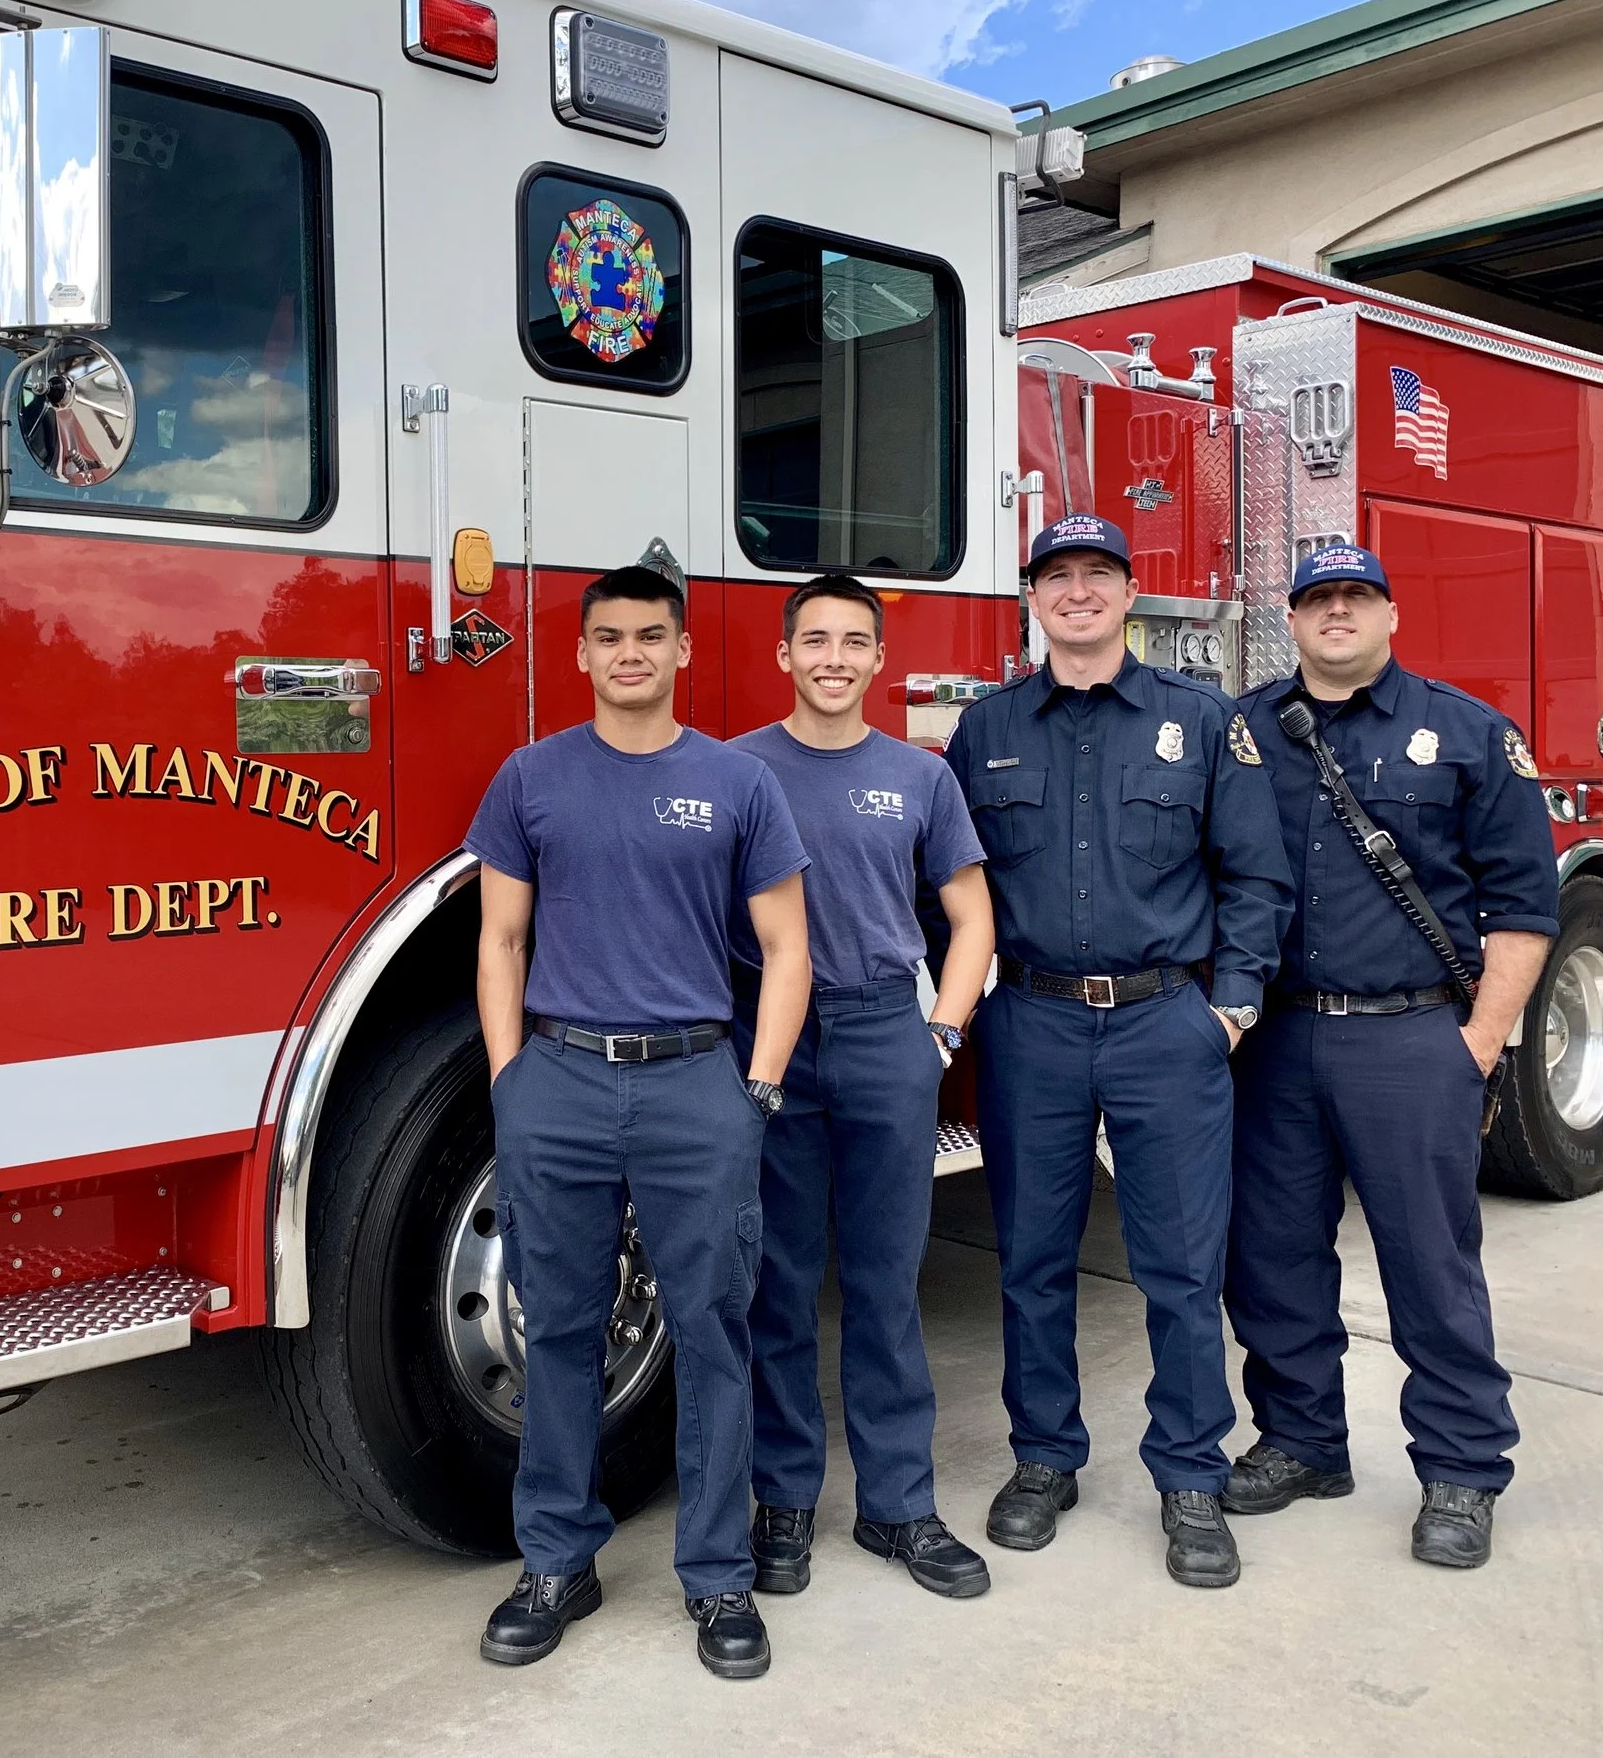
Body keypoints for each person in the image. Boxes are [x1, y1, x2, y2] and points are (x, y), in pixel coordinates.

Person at [467, 563, 812, 1680]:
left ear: (682, 650)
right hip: (560, 1081)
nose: (629, 653)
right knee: (559, 1329)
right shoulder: (530, 777)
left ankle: (716, 1577)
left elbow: (788, 950)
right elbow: (500, 941)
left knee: (712, 1332)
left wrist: (756, 1091)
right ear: (580, 653)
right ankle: (556, 1561)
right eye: (609, 636)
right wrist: (512, 1081)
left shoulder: (737, 783)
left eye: (650, 635)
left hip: (694, 1083)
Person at [943, 513, 1292, 1589]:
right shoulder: (985, 729)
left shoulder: (1202, 720)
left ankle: (1189, 1475)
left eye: (1099, 573)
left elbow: (1256, 877)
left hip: (1164, 1023)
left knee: (1180, 1268)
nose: (1079, 592)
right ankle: (1044, 1458)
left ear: (1131, 594)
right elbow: (945, 883)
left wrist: (1229, 1010)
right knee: (1032, 1258)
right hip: (1032, 1022)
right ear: (1033, 598)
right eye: (1058, 576)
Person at [1224, 545, 1556, 1569]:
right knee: (1272, 1255)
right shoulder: (1244, 732)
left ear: (1389, 614)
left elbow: (1523, 906)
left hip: (1411, 1038)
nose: (1337, 613)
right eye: (1318, 599)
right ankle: (1301, 1440)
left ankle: (1461, 1468)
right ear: (1292, 619)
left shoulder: (1466, 733)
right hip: (1277, 1037)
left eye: (1356, 597)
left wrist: (1477, 1044)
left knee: (1428, 1261)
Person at [728, 574, 997, 1601]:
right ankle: (784, 1502)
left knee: (886, 1283)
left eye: (853, 642)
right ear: (783, 654)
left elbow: (971, 918)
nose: (834, 659)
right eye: (815, 640)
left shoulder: (919, 777)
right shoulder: (736, 769)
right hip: (775, 1040)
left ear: (881, 660)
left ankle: (898, 1505)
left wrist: (942, 1034)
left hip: (887, 1034)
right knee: (780, 1283)